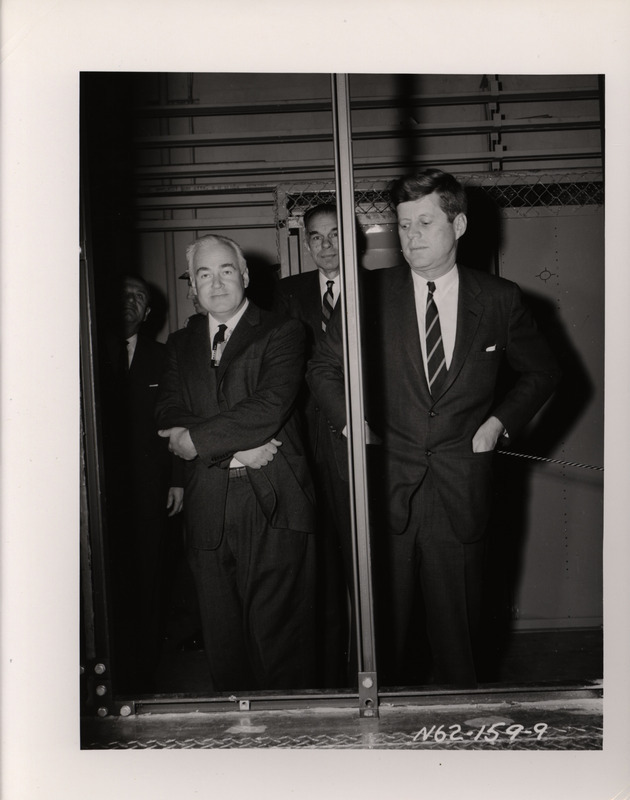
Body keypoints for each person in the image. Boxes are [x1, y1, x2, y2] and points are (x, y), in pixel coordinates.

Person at [307, 169, 560, 688]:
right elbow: (323, 368)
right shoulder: (366, 296)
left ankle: (462, 745)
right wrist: (352, 421)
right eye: (403, 225)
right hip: (387, 493)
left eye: (425, 222)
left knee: (459, 642)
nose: (412, 236)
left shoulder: (498, 299)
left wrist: (498, 423)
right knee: (382, 645)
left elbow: (544, 373)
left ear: (459, 224)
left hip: (461, 492)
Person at [155, 234, 317, 692]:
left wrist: (202, 439)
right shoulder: (180, 342)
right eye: (204, 274)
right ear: (193, 287)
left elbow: (268, 407)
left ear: (245, 276)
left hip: (273, 502)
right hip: (209, 504)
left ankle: (290, 748)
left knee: (279, 643)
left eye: (227, 270)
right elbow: (168, 413)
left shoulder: (282, 331)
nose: (217, 281)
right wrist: (233, 448)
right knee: (224, 647)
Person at [274, 203, 354, 685]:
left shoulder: (379, 288)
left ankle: (366, 662)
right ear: (306, 243)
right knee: (316, 561)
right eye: (317, 237)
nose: (326, 245)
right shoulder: (287, 293)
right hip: (304, 441)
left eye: (334, 235)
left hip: (356, 440)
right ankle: (325, 671)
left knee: (360, 555)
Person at [99, 274, 184, 692]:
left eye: (139, 298)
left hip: (150, 489)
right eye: (123, 294)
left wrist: (177, 481)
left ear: (149, 313)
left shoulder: (162, 356)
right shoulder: (89, 352)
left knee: (149, 575)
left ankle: (144, 673)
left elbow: (177, 419)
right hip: (97, 493)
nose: (130, 302)